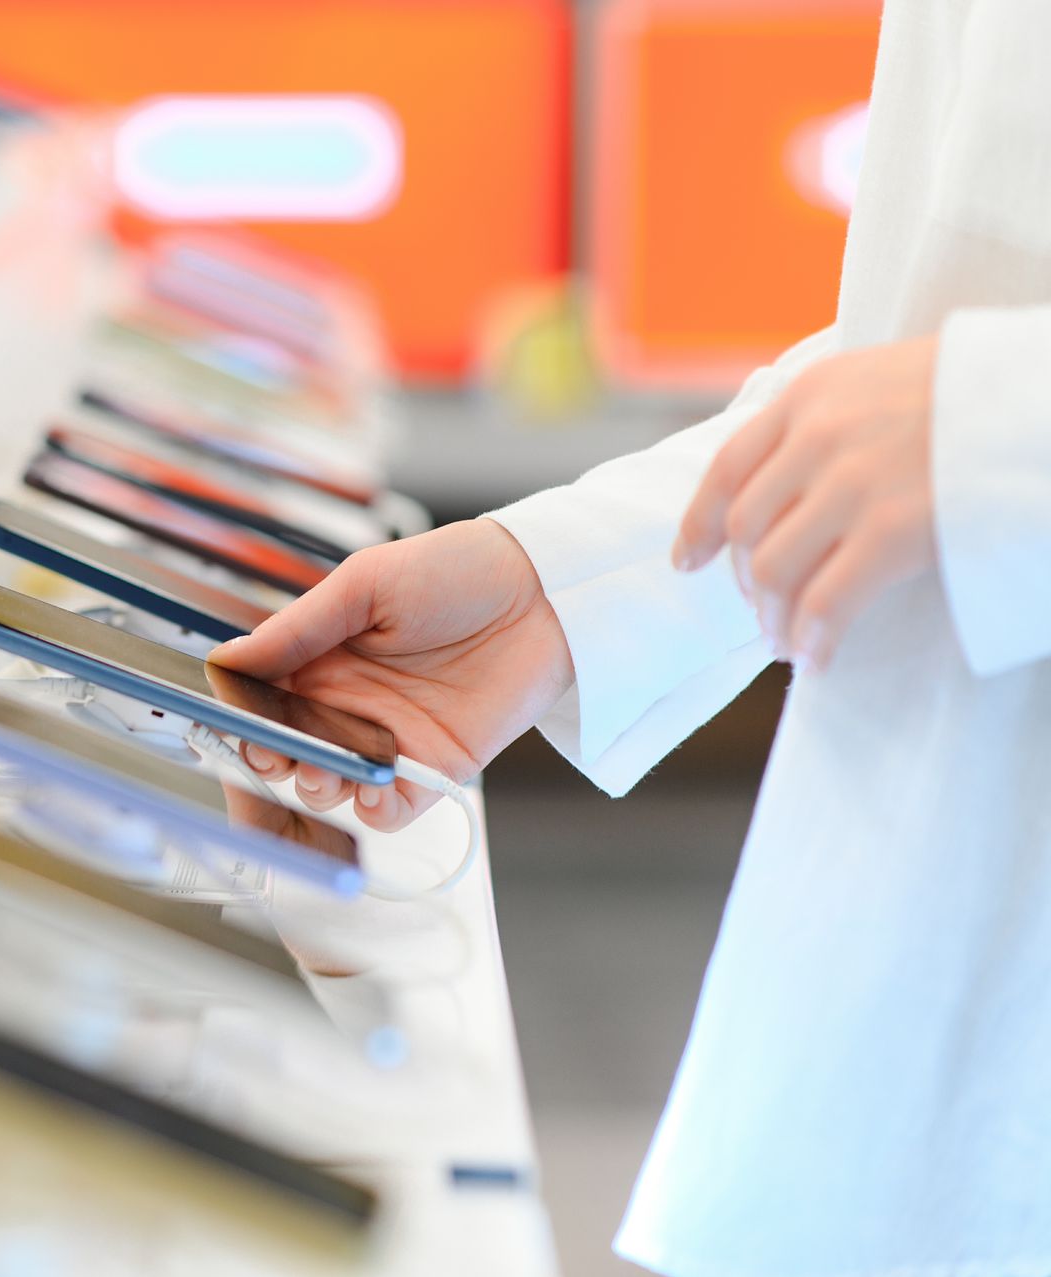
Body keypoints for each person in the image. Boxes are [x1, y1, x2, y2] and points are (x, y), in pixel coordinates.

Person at [210, 2, 1051, 1273]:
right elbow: (932, 321)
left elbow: (965, 394)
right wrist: (557, 587)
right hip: (908, 1000)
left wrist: (999, 429)